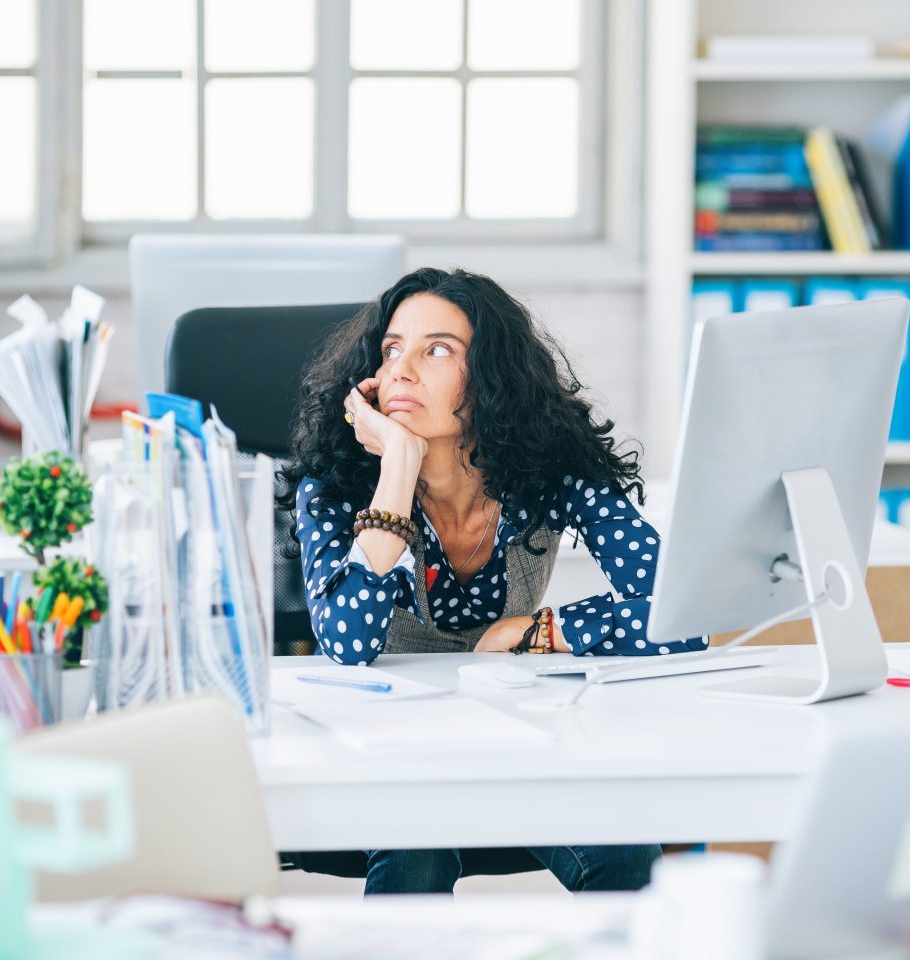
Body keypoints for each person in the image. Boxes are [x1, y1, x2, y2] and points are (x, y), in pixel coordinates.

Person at [278, 267, 705, 895]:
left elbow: (679, 611)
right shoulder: (336, 482)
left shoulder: (552, 469)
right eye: (392, 349)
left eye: (438, 350)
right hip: (385, 739)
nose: (401, 369)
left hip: (516, 724)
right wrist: (398, 464)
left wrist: (541, 630)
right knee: (414, 853)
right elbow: (347, 642)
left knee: (624, 847)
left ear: (493, 378)